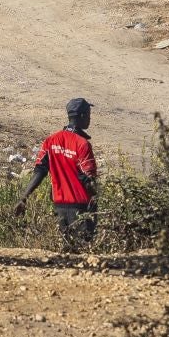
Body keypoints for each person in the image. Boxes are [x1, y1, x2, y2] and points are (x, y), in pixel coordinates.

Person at [15, 98, 99, 246]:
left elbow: (39, 171)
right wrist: (96, 200)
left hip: (59, 207)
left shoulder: (51, 141)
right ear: (81, 116)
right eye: (88, 115)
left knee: (64, 253)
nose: (89, 119)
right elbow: (89, 179)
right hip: (81, 208)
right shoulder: (83, 144)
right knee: (84, 252)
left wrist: (24, 198)